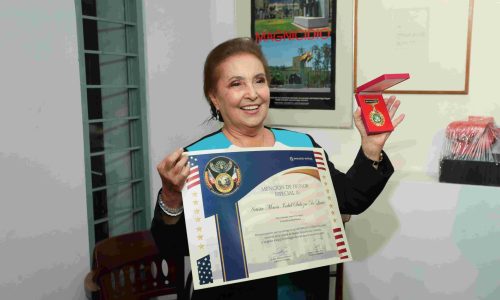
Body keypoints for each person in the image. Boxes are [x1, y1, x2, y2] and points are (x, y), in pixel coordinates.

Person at [150, 37, 404, 300]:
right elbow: (171, 246)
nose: (252, 93)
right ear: (215, 97)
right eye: (236, 84)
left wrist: (371, 148)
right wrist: (170, 197)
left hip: (301, 290)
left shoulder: (300, 146)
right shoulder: (197, 159)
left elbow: (349, 199)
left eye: (259, 80)